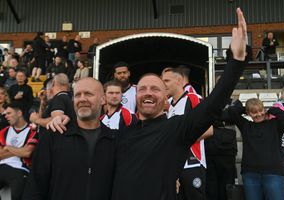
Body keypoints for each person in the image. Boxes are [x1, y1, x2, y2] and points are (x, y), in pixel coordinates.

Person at [47, 8, 247, 200]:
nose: (148, 93)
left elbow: (211, 107)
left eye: (155, 89)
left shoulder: (177, 128)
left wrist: (236, 61)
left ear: (165, 99)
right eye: (142, 89)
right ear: (136, 95)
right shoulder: (121, 133)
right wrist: (62, 119)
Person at [23, 78, 116, 200]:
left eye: (88, 94)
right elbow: (35, 186)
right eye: (77, 95)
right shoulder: (53, 136)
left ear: (103, 99)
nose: (82, 99)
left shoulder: (115, 140)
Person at [227, 98, 284, 200]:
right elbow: (232, 111)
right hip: (250, 174)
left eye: (260, 110)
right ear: (248, 113)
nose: (258, 114)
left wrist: (272, 109)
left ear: (264, 110)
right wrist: (247, 108)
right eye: (254, 112)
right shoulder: (245, 125)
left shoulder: (275, 125)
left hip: (273, 173)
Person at [162, 68, 213, 200]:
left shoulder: (193, 99)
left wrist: (182, 141)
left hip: (193, 163)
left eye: (167, 80)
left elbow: (209, 130)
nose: (163, 84)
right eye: (162, 81)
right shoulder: (167, 106)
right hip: (174, 166)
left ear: (179, 81)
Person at [0, 102, 38, 200]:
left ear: (19, 113)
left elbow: (27, 153)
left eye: (9, 113)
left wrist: (8, 147)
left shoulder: (32, 130)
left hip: (20, 169)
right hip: (1, 166)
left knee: (18, 195)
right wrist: (20, 150)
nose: (6, 116)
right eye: (5, 114)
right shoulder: (3, 131)